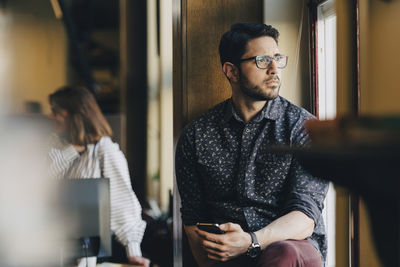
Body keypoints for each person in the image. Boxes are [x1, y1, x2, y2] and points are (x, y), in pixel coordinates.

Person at [175, 23, 329, 267]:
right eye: (262, 60)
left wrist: (251, 240)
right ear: (231, 71)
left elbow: (305, 217)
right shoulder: (196, 135)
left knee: (282, 253)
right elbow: (194, 218)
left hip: (289, 248)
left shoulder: (304, 128)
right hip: (227, 254)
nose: (274, 69)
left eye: (277, 58)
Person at [47, 86, 150, 267]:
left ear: (75, 114)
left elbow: (122, 200)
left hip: (85, 256)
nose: (51, 117)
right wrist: (73, 150)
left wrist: (134, 252)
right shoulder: (53, 145)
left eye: (56, 111)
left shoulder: (105, 150)